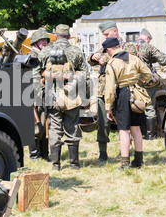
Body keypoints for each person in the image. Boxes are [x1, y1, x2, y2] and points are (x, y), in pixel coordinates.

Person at [35, 24, 89, 170]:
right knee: (72, 127)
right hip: (72, 95)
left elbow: (35, 74)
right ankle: (74, 164)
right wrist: (86, 97)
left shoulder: (45, 52)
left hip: (51, 96)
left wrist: (39, 93)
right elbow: (85, 75)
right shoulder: (76, 51)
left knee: (54, 129)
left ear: (55, 36)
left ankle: (56, 165)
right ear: (69, 37)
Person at [104, 37, 152, 169]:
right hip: (136, 93)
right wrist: (138, 82)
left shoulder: (112, 63)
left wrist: (108, 107)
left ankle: (125, 163)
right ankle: (138, 160)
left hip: (123, 95)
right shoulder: (133, 58)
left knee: (124, 130)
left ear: (109, 49)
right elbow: (147, 74)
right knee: (136, 128)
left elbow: (109, 88)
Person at [87, 20, 123, 161]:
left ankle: (127, 149)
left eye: (107, 34)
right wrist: (93, 57)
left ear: (115, 31)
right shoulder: (104, 47)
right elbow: (91, 61)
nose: (105, 37)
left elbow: (125, 59)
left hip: (121, 89)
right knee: (103, 122)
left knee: (124, 121)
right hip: (103, 90)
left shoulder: (127, 46)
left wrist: (106, 60)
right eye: (104, 35)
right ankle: (103, 151)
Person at [135, 28, 166, 139]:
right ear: (147, 38)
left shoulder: (129, 47)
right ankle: (150, 135)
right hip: (146, 81)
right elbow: (164, 61)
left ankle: (135, 133)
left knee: (135, 106)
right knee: (149, 106)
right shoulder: (148, 47)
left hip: (132, 81)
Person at [29, 28, 51, 162]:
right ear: (35, 43)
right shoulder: (33, 56)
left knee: (44, 123)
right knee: (36, 125)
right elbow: (34, 77)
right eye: (41, 40)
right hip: (34, 93)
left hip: (44, 92)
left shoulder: (44, 55)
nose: (44, 42)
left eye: (45, 40)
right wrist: (38, 96)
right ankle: (34, 154)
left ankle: (44, 153)